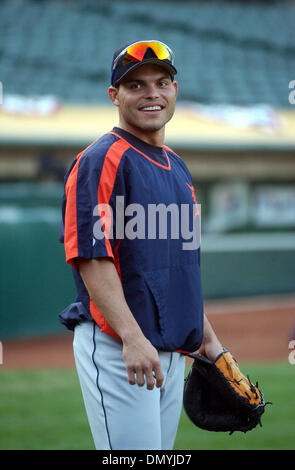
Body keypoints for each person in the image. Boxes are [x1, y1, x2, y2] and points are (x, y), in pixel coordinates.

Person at [59, 40, 223, 450]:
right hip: (121, 346)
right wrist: (131, 337)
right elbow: (92, 258)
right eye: (136, 85)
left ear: (175, 90)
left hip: (169, 350)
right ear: (114, 96)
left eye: (161, 82)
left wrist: (209, 341)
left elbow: (181, 266)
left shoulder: (177, 165)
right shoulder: (102, 158)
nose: (152, 93)